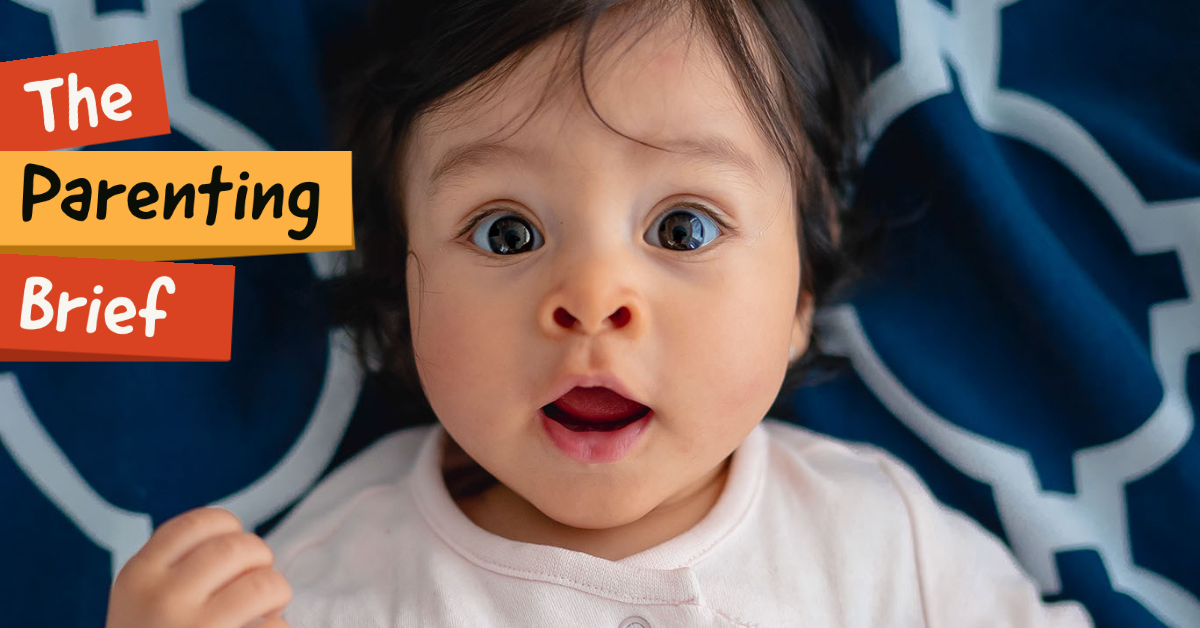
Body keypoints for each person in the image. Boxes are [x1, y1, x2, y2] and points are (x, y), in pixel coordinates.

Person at [104, 0, 1097, 626]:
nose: (590, 298)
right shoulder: (332, 579)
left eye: (682, 227)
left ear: (800, 289)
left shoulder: (878, 539)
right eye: (504, 234)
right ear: (403, 286)